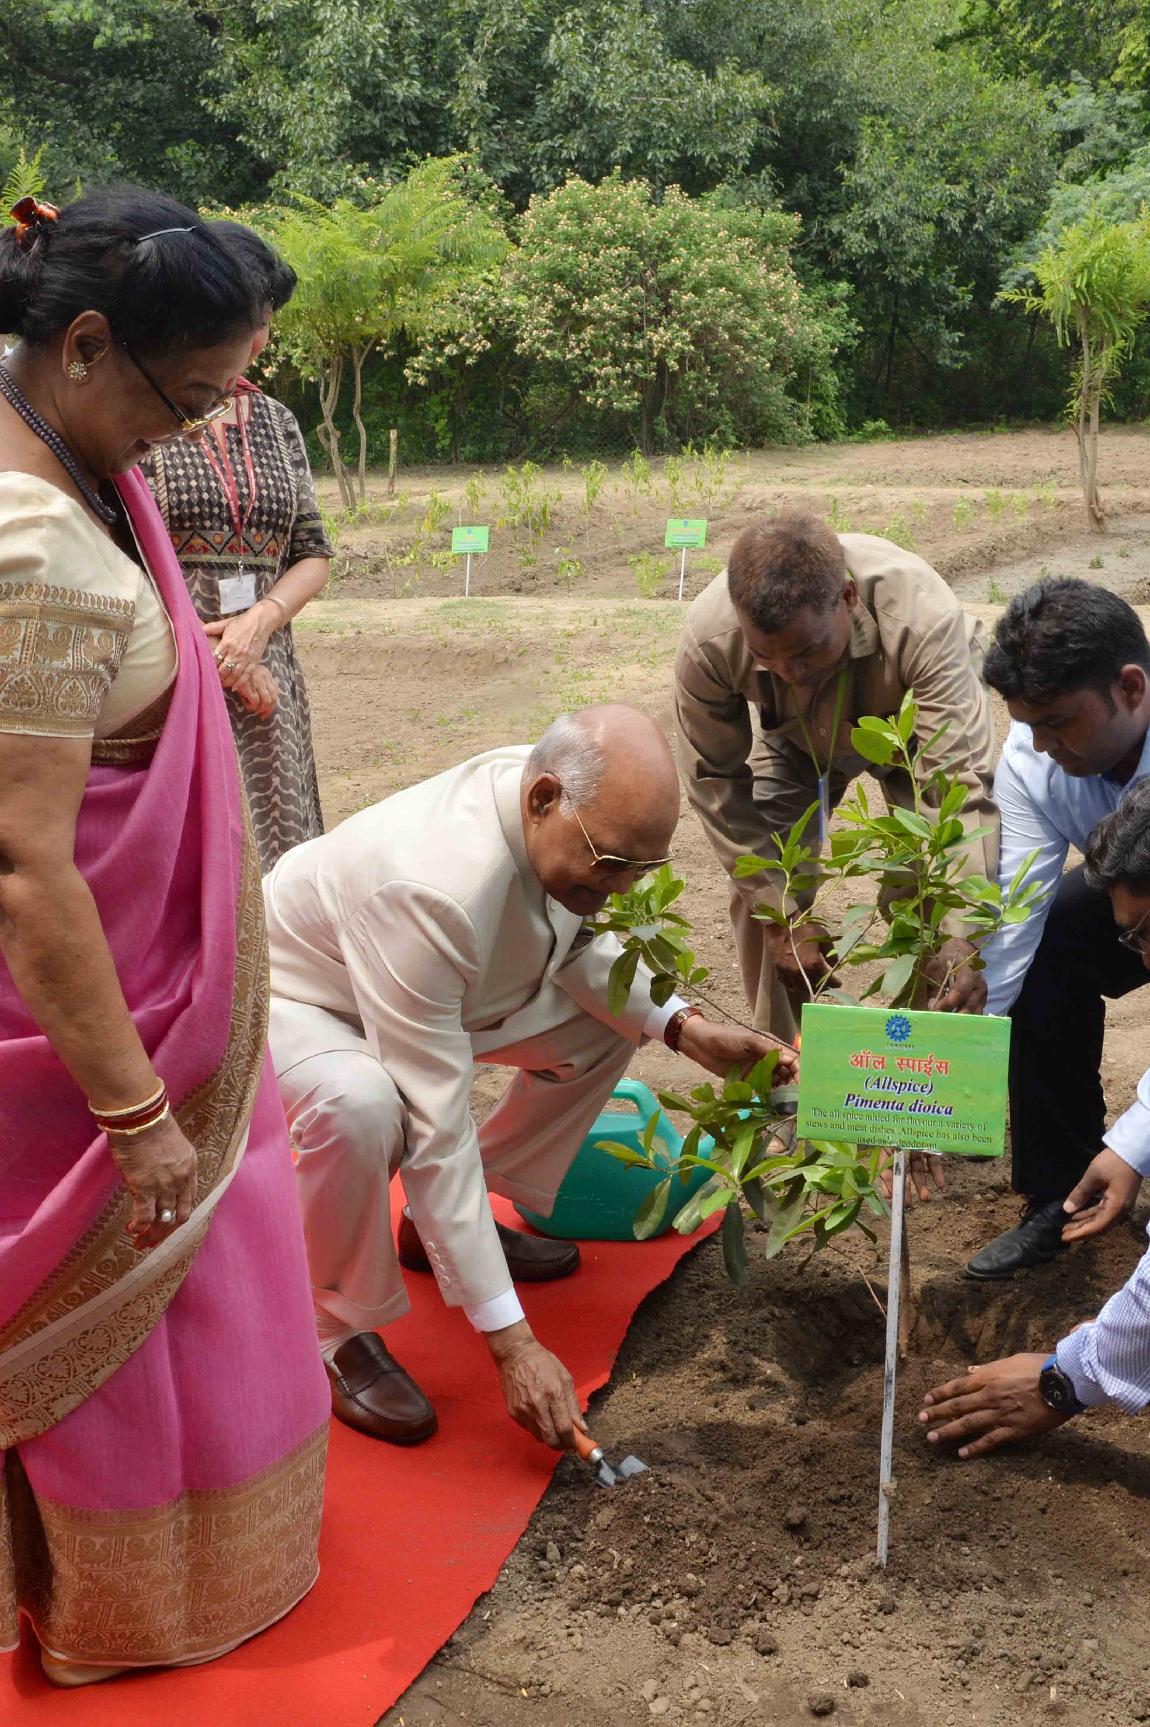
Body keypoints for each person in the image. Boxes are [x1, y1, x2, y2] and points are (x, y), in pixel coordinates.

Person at [0, 186, 328, 1687]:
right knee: (135, 1313)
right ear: (81, 345)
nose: (189, 436)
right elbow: (27, 865)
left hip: (148, 993)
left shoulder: (63, 456)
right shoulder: (32, 549)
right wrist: (133, 1113)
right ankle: (119, 1606)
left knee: (203, 1287)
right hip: (97, 1037)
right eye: (185, 397)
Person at [264, 705, 798, 1448]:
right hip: (304, 999)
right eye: (612, 865)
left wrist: (684, 1029)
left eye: (642, 869)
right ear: (542, 798)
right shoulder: (432, 888)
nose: (623, 887)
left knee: (610, 1021)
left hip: (433, 986)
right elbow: (435, 1130)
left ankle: (436, 1233)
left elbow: (573, 941)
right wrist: (513, 1346)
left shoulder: (576, 809)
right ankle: (330, 1325)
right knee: (365, 1106)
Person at [673, 511, 999, 1041]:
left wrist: (964, 936)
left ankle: (920, 1057)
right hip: (794, 740)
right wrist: (780, 916)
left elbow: (959, 788)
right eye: (766, 658)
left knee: (929, 882)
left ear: (847, 598)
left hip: (911, 735)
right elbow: (714, 782)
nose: (790, 674)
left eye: (807, 652)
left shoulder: (922, 619)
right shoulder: (710, 640)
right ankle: (784, 1063)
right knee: (761, 881)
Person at [921, 777, 1150, 1454]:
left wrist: (1066, 1377)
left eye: (1144, 932)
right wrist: (1132, 1144)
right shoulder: (1031, 769)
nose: (1143, 961)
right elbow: (1018, 928)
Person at [967, 579, 1150, 1279]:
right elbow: (1016, 916)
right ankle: (1064, 1190)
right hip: (1137, 893)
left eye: (1058, 723)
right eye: (1029, 724)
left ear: (1130, 688)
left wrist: (1134, 1144)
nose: (1041, 744)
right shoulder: (1033, 753)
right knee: (1050, 940)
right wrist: (942, 1077)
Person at [141, 223, 331, 873]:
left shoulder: (278, 421)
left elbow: (312, 552)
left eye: (266, 322)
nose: (259, 339)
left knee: (281, 859)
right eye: (252, 319)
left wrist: (260, 622)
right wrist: (219, 654)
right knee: (198, 858)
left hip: (269, 677)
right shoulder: (150, 414)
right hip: (172, 665)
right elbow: (125, 551)